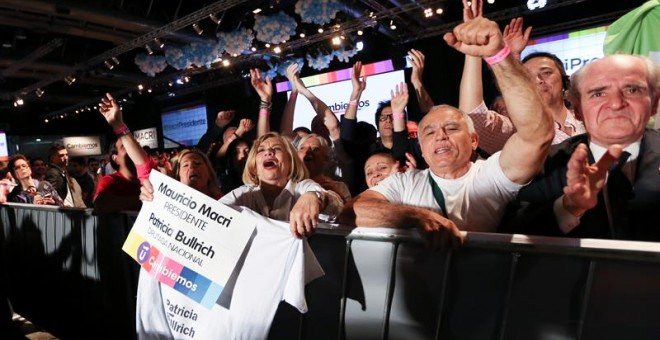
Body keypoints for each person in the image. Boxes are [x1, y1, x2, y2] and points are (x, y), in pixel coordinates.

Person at [341, 15, 554, 248]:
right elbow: (351, 212)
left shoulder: (490, 176)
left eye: (451, 128)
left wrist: (499, 55)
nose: (440, 135)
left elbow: (536, 135)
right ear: (421, 147)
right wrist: (415, 217)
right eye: (430, 132)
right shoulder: (405, 183)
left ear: (474, 140)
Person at [501, 54, 660, 240]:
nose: (616, 104)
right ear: (577, 110)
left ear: (654, 103)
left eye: (632, 90)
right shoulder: (547, 163)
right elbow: (510, 235)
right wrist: (569, 206)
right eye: (598, 94)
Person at [220, 132, 343, 238]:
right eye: (261, 150)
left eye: (277, 148)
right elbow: (213, 211)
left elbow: (336, 207)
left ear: (291, 162)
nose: (268, 152)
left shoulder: (302, 188)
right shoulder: (244, 194)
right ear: (254, 166)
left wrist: (315, 198)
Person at [93, 93, 148, 213]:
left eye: (134, 145)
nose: (132, 149)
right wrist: (141, 200)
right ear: (115, 158)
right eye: (124, 146)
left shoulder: (149, 178)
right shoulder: (110, 181)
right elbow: (100, 204)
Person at [297, 133, 352, 203]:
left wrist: (337, 195)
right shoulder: (288, 185)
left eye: (315, 148)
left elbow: (350, 213)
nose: (308, 151)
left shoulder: (339, 187)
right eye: (302, 148)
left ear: (325, 158)